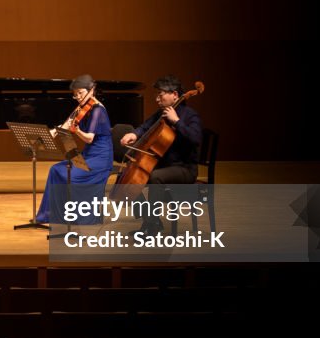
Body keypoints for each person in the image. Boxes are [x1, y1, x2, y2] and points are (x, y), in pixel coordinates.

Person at [120, 74, 203, 233]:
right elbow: (145, 127)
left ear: (175, 95)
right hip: (165, 165)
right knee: (128, 177)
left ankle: (151, 226)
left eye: (161, 94)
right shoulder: (161, 114)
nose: (157, 99)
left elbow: (196, 138)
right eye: (156, 94)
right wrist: (134, 134)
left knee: (155, 176)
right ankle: (151, 220)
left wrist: (176, 121)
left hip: (184, 169)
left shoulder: (189, 115)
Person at [35, 74, 114, 224]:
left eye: (80, 93)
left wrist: (76, 131)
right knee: (55, 170)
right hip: (88, 154)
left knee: (71, 175)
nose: (78, 97)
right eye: (75, 94)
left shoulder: (98, 110)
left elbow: (89, 138)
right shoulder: (82, 108)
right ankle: (51, 214)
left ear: (92, 90)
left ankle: (77, 218)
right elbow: (65, 125)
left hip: (100, 158)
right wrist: (48, 135)